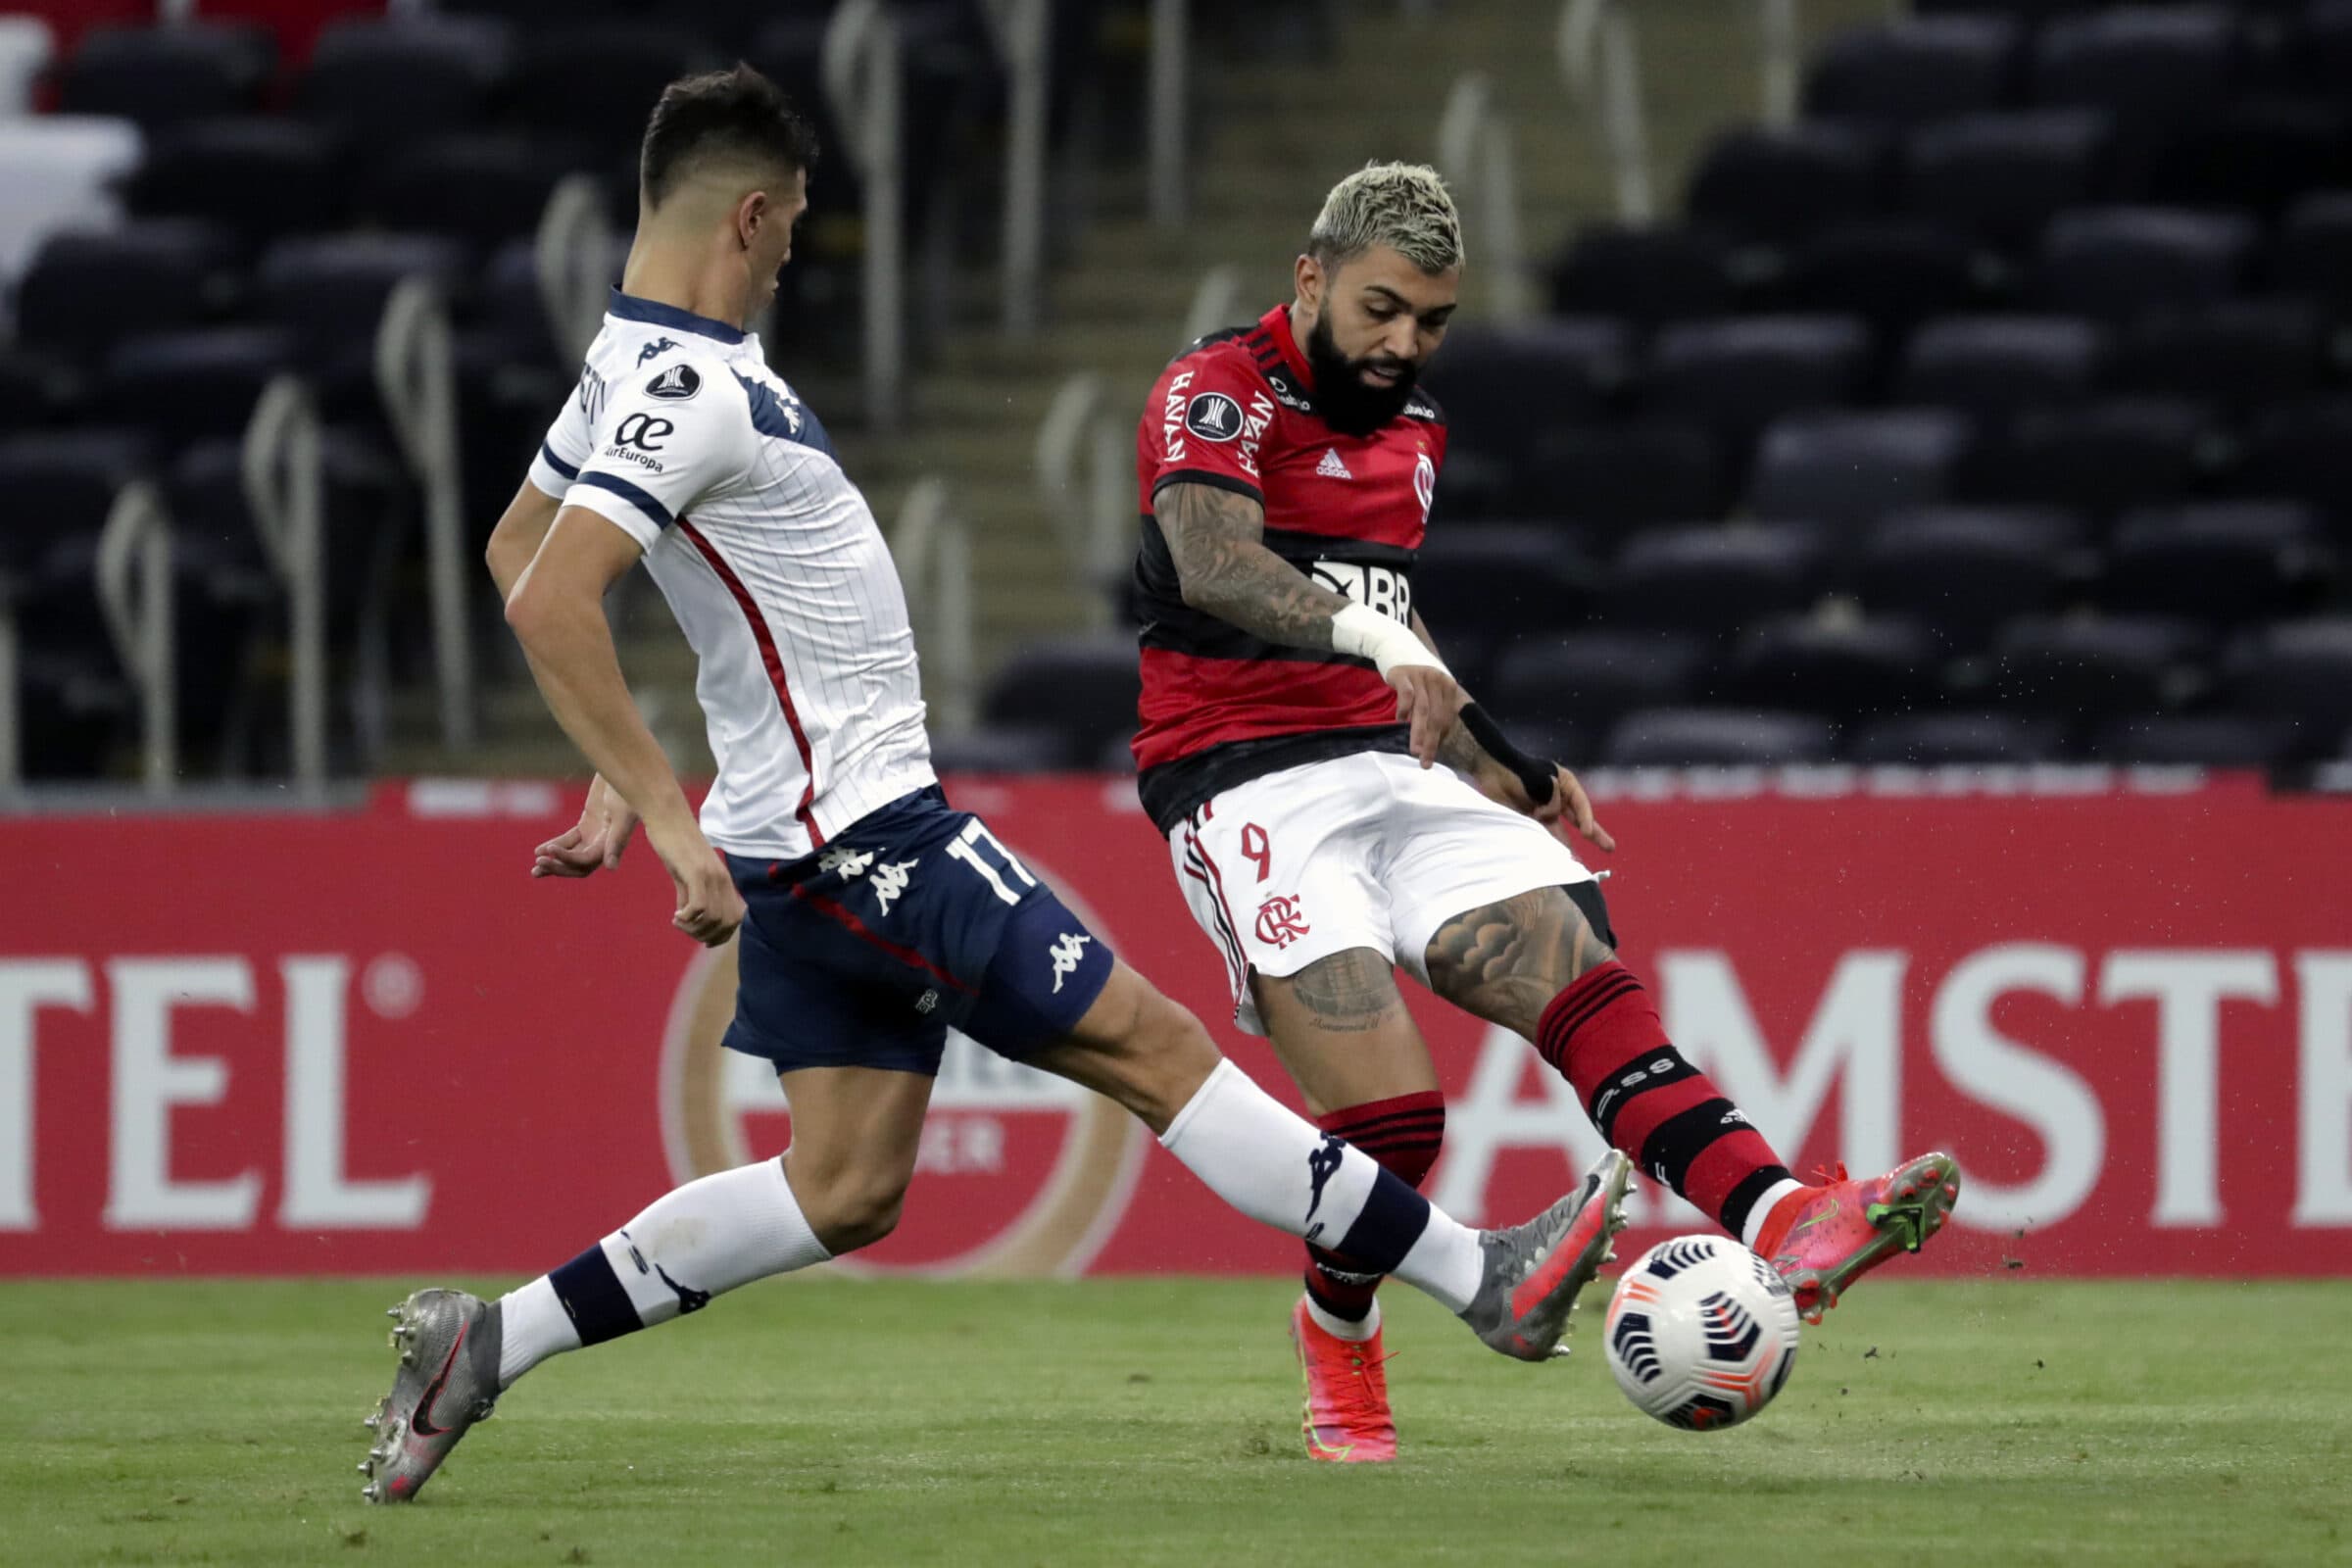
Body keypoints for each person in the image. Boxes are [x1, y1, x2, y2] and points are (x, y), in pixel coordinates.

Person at [359, 73, 1634, 1506]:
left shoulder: (623, 367)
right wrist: (658, 812)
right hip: (871, 841)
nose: (789, 259)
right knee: (1154, 1051)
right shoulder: (690, 386)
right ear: (755, 214)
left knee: (843, 1187)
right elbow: (548, 604)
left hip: (809, 843)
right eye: (790, 236)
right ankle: (1482, 1281)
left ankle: (490, 1340)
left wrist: (620, 766)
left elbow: (512, 553)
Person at [1129, 161, 1962, 1464]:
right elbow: (1211, 560)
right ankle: (1339, 1332)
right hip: (1240, 775)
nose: (1405, 345)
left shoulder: (1416, 438)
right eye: (1382, 310)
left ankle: (1785, 1211)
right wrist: (1368, 635)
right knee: (1397, 1124)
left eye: (1432, 322)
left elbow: (1398, 636)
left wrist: (1504, 762)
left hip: (1394, 769)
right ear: (1311, 276)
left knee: (1577, 981)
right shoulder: (1216, 392)